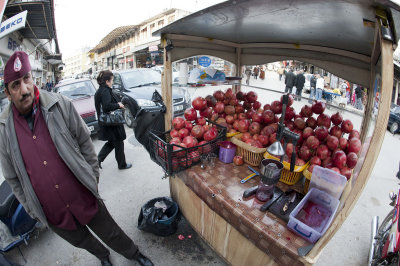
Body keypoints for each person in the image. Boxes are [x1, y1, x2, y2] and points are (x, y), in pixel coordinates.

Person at [0, 51, 153, 266]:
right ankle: (103, 256)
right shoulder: (4, 130)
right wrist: (32, 208)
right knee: (82, 241)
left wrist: (92, 176)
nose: (24, 89)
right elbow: (12, 177)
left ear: (32, 78)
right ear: (7, 93)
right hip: (52, 212)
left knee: (110, 231)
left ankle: (134, 254)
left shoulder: (59, 104)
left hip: (82, 194)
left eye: (26, 79)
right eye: (15, 85)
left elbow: (84, 141)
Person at [95, 70, 132, 170]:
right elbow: (107, 106)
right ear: (107, 81)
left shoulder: (100, 90)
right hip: (111, 123)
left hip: (107, 122)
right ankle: (122, 164)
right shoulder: (105, 91)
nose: (113, 82)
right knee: (118, 142)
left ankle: (98, 159)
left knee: (112, 142)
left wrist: (118, 105)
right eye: (112, 80)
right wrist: (118, 105)